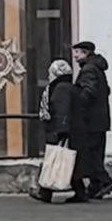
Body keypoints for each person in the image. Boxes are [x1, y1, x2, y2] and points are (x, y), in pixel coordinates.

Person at [30, 60, 89, 203]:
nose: (49, 75)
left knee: (54, 159)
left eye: (51, 72)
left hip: (62, 130)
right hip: (73, 130)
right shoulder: (69, 87)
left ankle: (45, 192)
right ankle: (80, 192)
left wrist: (61, 131)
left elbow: (62, 110)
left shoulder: (61, 88)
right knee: (69, 161)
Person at [71, 41, 112, 199]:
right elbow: (106, 90)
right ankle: (95, 186)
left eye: (77, 52)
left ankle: (105, 181)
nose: (75, 55)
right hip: (100, 119)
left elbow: (88, 92)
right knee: (96, 152)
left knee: (90, 154)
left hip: (91, 120)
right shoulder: (97, 68)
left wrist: (78, 106)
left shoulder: (89, 69)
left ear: (85, 53)